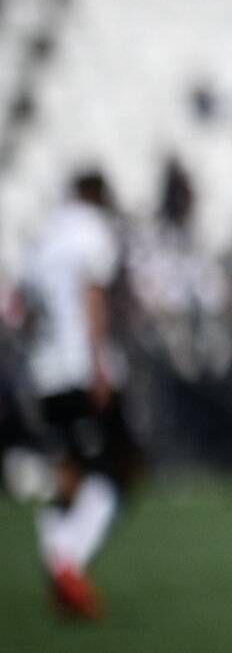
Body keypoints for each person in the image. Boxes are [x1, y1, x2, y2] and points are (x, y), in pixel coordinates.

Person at [23, 169, 132, 622]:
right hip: (78, 367)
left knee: (67, 473)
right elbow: (92, 295)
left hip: (45, 370)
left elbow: (26, 305)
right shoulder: (91, 230)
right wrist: (100, 363)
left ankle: (63, 570)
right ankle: (67, 565)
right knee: (115, 470)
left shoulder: (44, 235)